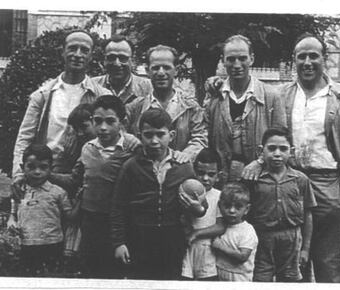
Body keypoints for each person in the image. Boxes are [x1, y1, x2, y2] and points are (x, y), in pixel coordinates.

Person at [242, 33, 340, 283]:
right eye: (302, 57)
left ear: (325, 59)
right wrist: (214, 82)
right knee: (292, 263)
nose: (308, 62)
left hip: (329, 185)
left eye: (314, 56)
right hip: (289, 183)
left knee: (328, 263)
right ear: (293, 61)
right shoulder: (281, 95)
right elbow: (271, 135)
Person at [12, 29, 111, 198]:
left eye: (84, 50)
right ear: (63, 52)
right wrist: (18, 173)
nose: (78, 54)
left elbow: (111, 139)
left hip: (85, 178)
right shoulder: (43, 95)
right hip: (44, 176)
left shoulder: (102, 96)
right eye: (72, 48)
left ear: (91, 56)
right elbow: (24, 138)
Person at [111, 108, 207, 280]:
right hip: (139, 237)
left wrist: (197, 207)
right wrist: (119, 243)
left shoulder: (183, 167)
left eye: (160, 134)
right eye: (148, 135)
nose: (154, 141)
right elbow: (118, 207)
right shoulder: (131, 167)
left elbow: (200, 203)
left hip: (172, 239)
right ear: (139, 135)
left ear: (171, 135)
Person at [50, 95, 137, 278]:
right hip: (90, 221)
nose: (103, 127)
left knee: (117, 271)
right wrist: (47, 176)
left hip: (119, 222)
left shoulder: (132, 147)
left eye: (110, 121)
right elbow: (75, 180)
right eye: (97, 121)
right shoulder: (88, 148)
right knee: (92, 270)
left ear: (122, 122)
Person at [204, 35, 286, 182]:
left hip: (261, 177)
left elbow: (282, 140)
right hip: (221, 178)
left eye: (242, 58)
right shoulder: (215, 96)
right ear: (223, 60)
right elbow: (205, 135)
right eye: (231, 59)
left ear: (251, 59)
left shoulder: (271, 96)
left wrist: (260, 162)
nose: (236, 65)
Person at [245, 127, 317, 282]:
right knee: (260, 279)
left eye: (283, 149)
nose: (277, 154)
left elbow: (308, 214)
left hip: (291, 239)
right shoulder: (254, 179)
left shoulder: (300, 179)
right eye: (271, 148)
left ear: (291, 151)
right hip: (261, 239)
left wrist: (305, 249)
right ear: (261, 151)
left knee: (289, 281)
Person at [7, 144, 80, 276]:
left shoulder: (58, 192)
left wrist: (81, 200)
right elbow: (13, 214)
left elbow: (70, 217)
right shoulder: (19, 191)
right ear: (23, 168)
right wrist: (11, 221)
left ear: (50, 169)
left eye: (43, 167)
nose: (37, 172)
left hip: (53, 245)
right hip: (27, 245)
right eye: (31, 167)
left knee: (51, 276)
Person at [126, 45, 208, 163]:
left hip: (180, 171)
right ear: (147, 71)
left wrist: (185, 155)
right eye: (155, 68)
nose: (161, 73)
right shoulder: (135, 107)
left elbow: (200, 138)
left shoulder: (191, 107)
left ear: (176, 70)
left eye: (166, 67)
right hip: (144, 172)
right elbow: (121, 133)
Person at [181, 148, 226, 281]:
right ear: (193, 171)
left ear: (218, 176)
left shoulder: (219, 196)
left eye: (211, 174)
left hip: (207, 249)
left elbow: (220, 226)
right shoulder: (186, 192)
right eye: (200, 173)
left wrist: (196, 233)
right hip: (187, 248)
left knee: (206, 282)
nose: (205, 178)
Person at [211, 182, 258, 281]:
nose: (232, 210)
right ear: (220, 206)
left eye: (238, 207)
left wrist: (220, 247)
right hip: (220, 271)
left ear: (247, 209)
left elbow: (243, 256)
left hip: (239, 276)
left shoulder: (247, 230)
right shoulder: (219, 226)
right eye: (227, 206)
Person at [92, 35, 152, 105]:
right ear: (104, 60)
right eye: (111, 58)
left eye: (123, 58)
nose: (117, 64)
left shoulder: (148, 88)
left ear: (132, 60)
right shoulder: (93, 86)